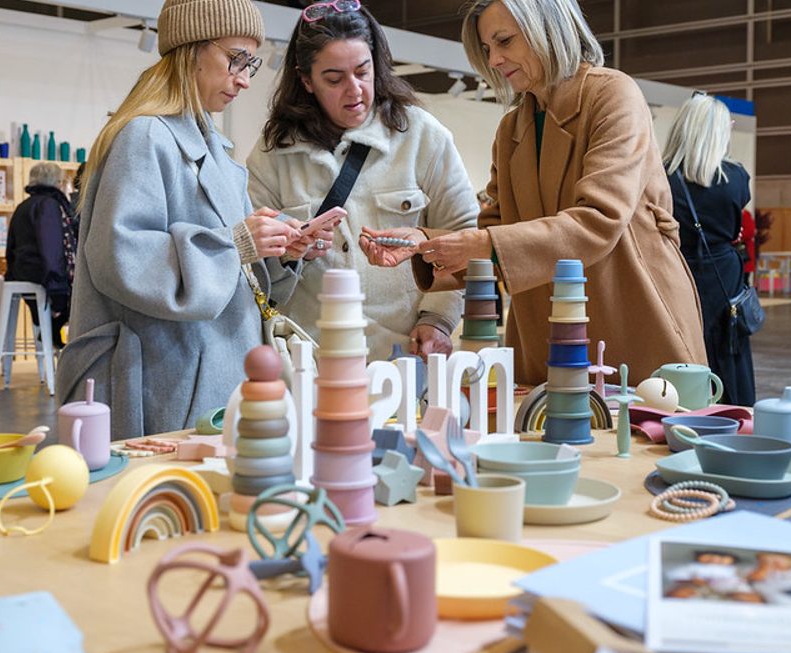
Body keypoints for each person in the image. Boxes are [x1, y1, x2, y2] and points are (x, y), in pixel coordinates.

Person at [362, 0, 706, 386]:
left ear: (549, 28)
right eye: (488, 49)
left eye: (505, 41)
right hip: (545, 336)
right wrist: (423, 243)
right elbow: (495, 245)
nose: (494, 60)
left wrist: (476, 244)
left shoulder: (613, 96)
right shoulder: (511, 130)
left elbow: (598, 220)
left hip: (631, 322)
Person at [56, 0, 299, 439]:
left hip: (216, 366)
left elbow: (239, 264)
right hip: (168, 373)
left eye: (251, 63)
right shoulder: (145, 135)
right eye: (235, 59)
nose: (244, 79)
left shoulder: (220, 153)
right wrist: (238, 242)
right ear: (192, 49)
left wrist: (281, 248)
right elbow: (122, 256)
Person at [246, 1, 478, 362]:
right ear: (306, 80)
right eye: (334, 79)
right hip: (309, 362)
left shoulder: (423, 136)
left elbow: (463, 233)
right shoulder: (273, 154)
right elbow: (256, 271)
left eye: (363, 71)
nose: (354, 90)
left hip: (401, 359)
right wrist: (288, 253)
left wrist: (438, 319)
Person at [663, 94, 755, 406]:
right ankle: (733, 409)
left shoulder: (661, 178)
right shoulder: (736, 177)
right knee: (728, 345)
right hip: (724, 274)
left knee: (680, 342)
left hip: (675, 270)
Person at [4, 161, 76, 349]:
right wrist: (58, 293)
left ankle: (49, 335)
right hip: (41, 276)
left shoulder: (23, 206)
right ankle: (58, 342)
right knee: (82, 300)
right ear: (58, 183)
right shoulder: (50, 206)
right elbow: (52, 252)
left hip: (22, 274)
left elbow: (10, 248)